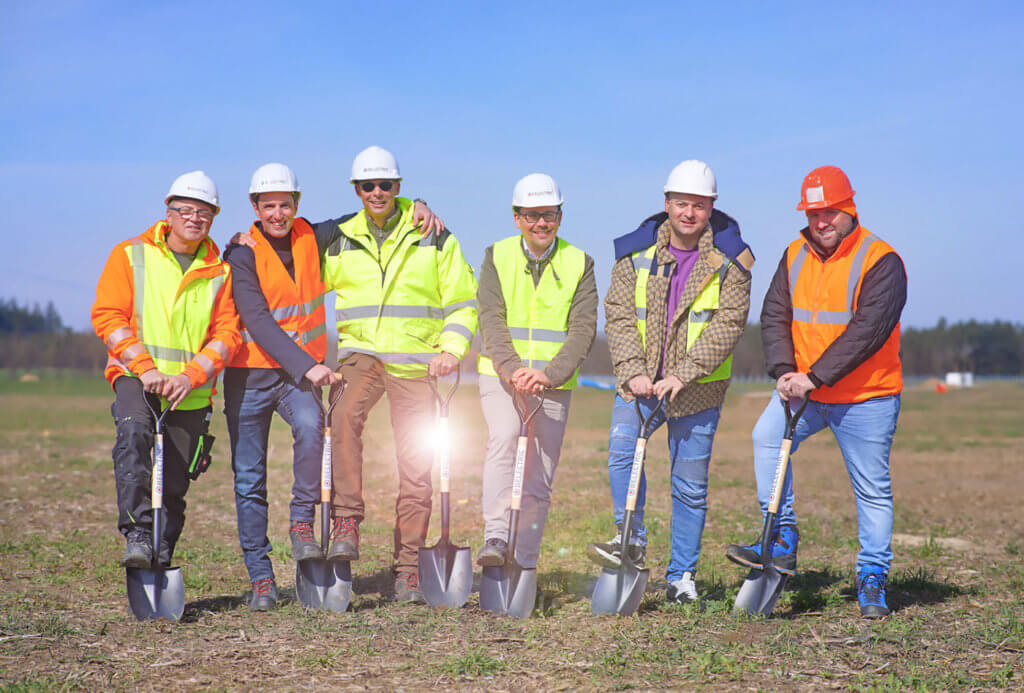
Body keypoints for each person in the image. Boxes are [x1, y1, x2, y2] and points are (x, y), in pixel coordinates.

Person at [224, 162, 446, 610]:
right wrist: (309, 366)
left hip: (294, 380)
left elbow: (374, 213)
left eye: (285, 205)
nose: (278, 214)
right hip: (251, 375)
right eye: (268, 206)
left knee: (313, 431)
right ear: (254, 207)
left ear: (296, 205)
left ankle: (302, 526)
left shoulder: (314, 235)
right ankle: (261, 578)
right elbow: (258, 321)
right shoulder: (241, 254)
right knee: (249, 479)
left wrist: (417, 205)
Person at [726, 165, 906, 618]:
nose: (821, 221)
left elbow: (868, 331)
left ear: (849, 209)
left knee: (871, 489)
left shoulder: (881, 260)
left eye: (830, 212)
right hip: (804, 393)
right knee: (765, 437)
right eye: (813, 213)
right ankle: (782, 535)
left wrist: (815, 376)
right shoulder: (794, 254)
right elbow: (774, 315)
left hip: (867, 396)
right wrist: (786, 371)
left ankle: (872, 577)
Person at [587, 160, 753, 604]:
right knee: (623, 456)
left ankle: (682, 576)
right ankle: (631, 543)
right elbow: (619, 316)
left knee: (689, 487)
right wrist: (633, 371)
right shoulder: (634, 255)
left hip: (697, 391)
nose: (689, 213)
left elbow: (728, 325)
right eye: (682, 203)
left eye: (699, 205)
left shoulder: (732, 262)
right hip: (638, 386)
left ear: (711, 208)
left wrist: (684, 373)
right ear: (666, 204)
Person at [320, 146, 478, 603]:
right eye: (367, 186)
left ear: (399, 188)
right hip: (361, 359)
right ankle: (346, 519)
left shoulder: (436, 236)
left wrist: (450, 350)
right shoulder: (340, 238)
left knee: (417, 463)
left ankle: (408, 568)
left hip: (416, 363)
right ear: (356, 190)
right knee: (342, 416)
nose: (376, 193)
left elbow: (463, 302)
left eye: (385, 185)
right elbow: (294, 276)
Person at [91, 171, 240, 571]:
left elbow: (227, 334)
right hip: (136, 380)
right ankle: (138, 533)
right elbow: (108, 316)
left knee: (174, 482)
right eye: (186, 210)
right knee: (134, 438)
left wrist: (188, 376)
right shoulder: (130, 254)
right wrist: (144, 368)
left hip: (189, 391)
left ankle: (163, 547)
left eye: (204, 212)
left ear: (214, 217)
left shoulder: (220, 272)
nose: (194, 218)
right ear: (169, 212)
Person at [474, 173, 598, 571]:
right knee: (504, 438)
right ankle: (495, 534)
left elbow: (583, 329)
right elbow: (490, 318)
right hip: (500, 377)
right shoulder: (497, 256)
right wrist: (511, 369)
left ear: (560, 216)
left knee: (540, 473)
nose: (541, 223)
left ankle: (525, 558)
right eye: (531, 215)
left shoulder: (580, 262)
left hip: (552, 384)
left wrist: (550, 374)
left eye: (549, 215)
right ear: (516, 217)